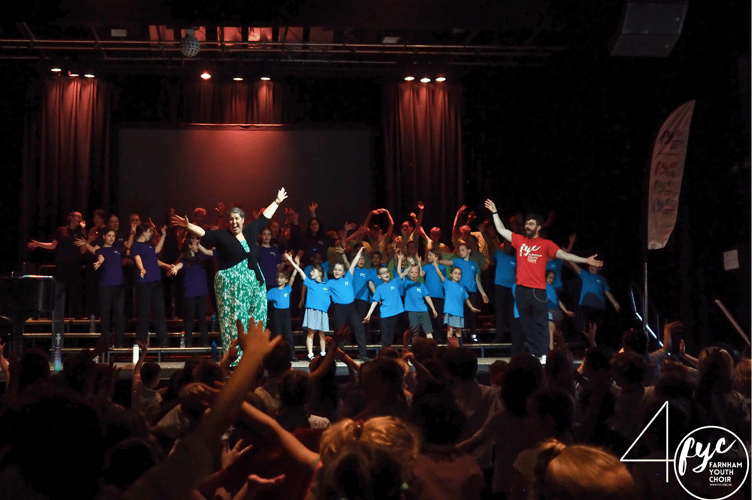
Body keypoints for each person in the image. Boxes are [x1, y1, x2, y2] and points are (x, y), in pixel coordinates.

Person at [172, 187, 288, 357]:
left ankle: (254, 357)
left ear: (242, 220)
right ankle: (234, 360)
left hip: (255, 283)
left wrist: (277, 201)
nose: (234, 222)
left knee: (256, 321)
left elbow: (264, 218)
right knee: (235, 322)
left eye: (237, 219)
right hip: (232, 286)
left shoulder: (250, 230)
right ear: (228, 222)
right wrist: (189, 226)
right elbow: (204, 233)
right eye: (231, 219)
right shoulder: (221, 236)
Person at [485, 199, 602, 359]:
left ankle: (542, 355)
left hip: (538, 291)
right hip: (521, 290)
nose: (527, 226)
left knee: (541, 324)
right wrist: (494, 212)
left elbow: (564, 255)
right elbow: (500, 229)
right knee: (525, 325)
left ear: (538, 227)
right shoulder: (520, 241)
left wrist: (585, 260)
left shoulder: (546, 244)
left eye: (531, 224)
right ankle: (537, 353)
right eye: (526, 223)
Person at [27, 211, 87, 318]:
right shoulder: (61, 230)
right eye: (78, 216)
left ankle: (76, 315)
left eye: (81, 217)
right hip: (61, 266)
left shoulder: (80, 233)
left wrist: (83, 232)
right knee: (59, 290)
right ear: (71, 217)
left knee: (75, 291)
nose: (80, 219)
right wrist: (39, 244)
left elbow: (83, 251)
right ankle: (57, 314)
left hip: (75, 266)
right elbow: (53, 245)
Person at [285, 251, 332, 360]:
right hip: (311, 310)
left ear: (320, 273)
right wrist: (292, 261)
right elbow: (300, 271)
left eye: (313, 271)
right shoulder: (310, 283)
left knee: (322, 334)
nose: (311, 272)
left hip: (322, 312)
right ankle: (310, 354)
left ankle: (323, 353)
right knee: (310, 333)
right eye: (310, 271)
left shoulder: (327, 286)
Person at [439, 242, 489, 342]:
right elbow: (448, 262)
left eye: (463, 250)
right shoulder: (458, 261)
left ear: (469, 251)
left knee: (472, 313)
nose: (461, 252)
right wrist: (437, 261)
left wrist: (483, 293)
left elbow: (477, 280)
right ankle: (462, 336)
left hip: (472, 292)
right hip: (461, 291)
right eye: (459, 250)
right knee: (461, 313)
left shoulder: (474, 264)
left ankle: (473, 335)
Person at [170, 234, 214, 347]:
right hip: (190, 293)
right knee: (189, 320)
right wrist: (175, 268)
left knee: (202, 319)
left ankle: (205, 343)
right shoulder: (186, 259)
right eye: (195, 243)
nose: (197, 245)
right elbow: (180, 264)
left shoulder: (202, 257)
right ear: (189, 246)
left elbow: (213, 251)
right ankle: (188, 344)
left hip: (201, 292)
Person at [130, 223, 170, 346]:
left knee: (159, 310)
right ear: (143, 232)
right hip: (144, 283)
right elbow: (137, 258)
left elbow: (155, 255)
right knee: (143, 311)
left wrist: (163, 236)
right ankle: (141, 339)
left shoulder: (149, 245)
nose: (151, 233)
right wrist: (141, 269)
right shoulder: (136, 245)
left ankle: (163, 340)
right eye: (149, 231)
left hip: (156, 281)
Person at [328, 246, 370, 361]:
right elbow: (321, 291)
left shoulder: (348, 277)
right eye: (335, 269)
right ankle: (338, 355)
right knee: (340, 332)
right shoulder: (330, 282)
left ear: (343, 272)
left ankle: (363, 354)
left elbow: (353, 264)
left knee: (359, 328)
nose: (337, 271)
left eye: (339, 270)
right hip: (339, 309)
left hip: (351, 309)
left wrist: (360, 251)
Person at [88, 228, 127, 347]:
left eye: (113, 236)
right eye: (109, 235)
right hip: (105, 286)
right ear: (104, 236)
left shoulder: (119, 249)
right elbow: (101, 257)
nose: (111, 238)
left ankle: (119, 344)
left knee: (119, 315)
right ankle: (106, 344)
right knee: (105, 315)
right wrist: (99, 262)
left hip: (119, 286)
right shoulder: (101, 250)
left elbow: (132, 250)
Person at [363, 253, 407, 349]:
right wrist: (369, 314)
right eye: (383, 273)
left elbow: (404, 273)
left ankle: (389, 354)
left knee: (390, 336)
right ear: (379, 276)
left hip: (394, 314)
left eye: (387, 272)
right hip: (384, 315)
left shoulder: (394, 282)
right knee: (384, 336)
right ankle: (384, 355)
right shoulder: (379, 288)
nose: (386, 274)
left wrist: (409, 264)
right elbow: (375, 302)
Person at [432, 263, 481, 343]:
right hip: (451, 311)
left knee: (459, 331)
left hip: (459, 313)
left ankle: (459, 349)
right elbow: (440, 274)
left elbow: (467, 299)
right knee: (450, 330)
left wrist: (472, 307)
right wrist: (435, 265)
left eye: (459, 274)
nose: (457, 275)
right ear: (451, 275)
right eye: (455, 273)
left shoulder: (462, 287)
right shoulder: (448, 283)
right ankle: (450, 349)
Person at [267, 265, 299, 362]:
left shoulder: (287, 289)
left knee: (288, 335)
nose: (279, 280)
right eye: (277, 278)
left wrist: (295, 268)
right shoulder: (272, 291)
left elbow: (292, 278)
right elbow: (264, 299)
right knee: (277, 335)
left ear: (285, 280)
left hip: (285, 313)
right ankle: (275, 356)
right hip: (277, 314)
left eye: (281, 278)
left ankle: (292, 355)